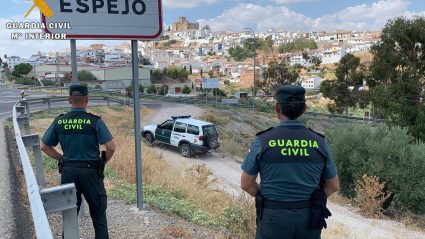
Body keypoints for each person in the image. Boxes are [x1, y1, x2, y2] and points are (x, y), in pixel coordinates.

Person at [240, 85, 340, 239]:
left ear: (277, 108)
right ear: (304, 108)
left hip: (272, 217)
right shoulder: (320, 143)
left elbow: (246, 184)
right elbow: (333, 186)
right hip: (309, 218)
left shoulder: (262, 141)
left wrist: (268, 196)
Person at [40, 85, 116, 239]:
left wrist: (62, 159)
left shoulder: (59, 121)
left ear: (69, 100)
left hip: (68, 173)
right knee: (99, 217)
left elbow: (44, 147)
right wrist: (102, 162)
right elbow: (111, 147)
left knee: (69, 217)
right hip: (92, 173)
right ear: (87, 99)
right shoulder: (95, 121)